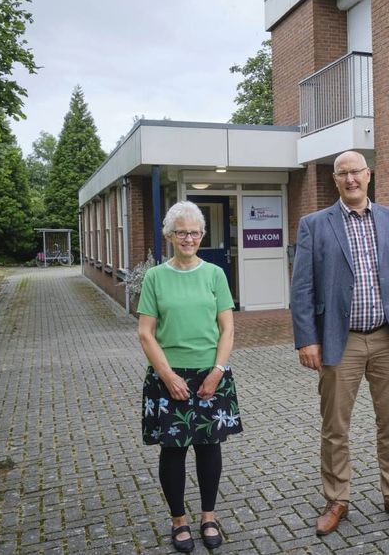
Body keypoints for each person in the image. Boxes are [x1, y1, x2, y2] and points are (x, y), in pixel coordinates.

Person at [290, 150, 389, 535]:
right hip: (339, 341)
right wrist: (306, 339)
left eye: (357, 172)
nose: (351, 179)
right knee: (335, 425)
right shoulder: (315, 225)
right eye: (343, 173)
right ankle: (337, 499)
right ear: (335, 180)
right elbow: (301, 287)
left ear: (369, 175)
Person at [138, 201, 241, 552]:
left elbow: (227, 329)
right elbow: (146, 333)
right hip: (169, 377)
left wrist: (217, 371)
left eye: (195, 232)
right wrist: (167, 376)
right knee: (173, 451)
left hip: (211, 374)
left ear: (202, 235)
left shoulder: (214, 274)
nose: (189, 238)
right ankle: (179, 520)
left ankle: (208, 516)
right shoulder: (155, 277)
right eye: (181, 232)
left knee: (209, 448)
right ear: (169, 235)